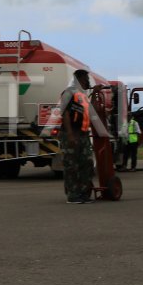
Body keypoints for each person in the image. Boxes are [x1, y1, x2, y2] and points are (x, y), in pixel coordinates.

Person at [57, 69, 95, 204]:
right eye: (86, 79)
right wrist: (70, 135)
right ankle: (73, 195)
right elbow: (65, 114)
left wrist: (94, 93)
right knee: (71, 165)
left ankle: (84, 193)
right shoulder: (68, 93)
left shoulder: (83, 96)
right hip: (71, 134)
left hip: (83, 134)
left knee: (87, 164)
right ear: (78, 79)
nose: (88, 81)